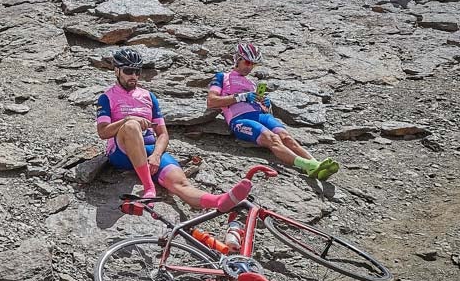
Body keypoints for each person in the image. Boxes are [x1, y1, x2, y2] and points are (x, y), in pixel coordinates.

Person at [97, 48, 257, 208]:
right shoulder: (107, 97)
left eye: (137, 71)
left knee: (179, 183)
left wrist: (157, 156)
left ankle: (219, 201)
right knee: (131, 125)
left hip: (150, 149)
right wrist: (128, 119)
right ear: (117, 71)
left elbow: (163, 134)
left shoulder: (148, 96)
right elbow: (103, 132)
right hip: (122, 151)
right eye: (128, 71)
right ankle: (148, 187)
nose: (134, 76)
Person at [207, 43, 340, 180]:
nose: (250, 67)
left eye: (254, 64)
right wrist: (240, 97)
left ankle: (317, 164)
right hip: (239, 118)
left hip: (259, 115)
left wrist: (266, 105)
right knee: (272, 139)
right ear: (237, 59)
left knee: (286, 137)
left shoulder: (252, 84)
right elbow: (211, 101)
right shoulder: (222, 77)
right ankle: (307, 165)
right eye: (247, 62)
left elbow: (263, 109)